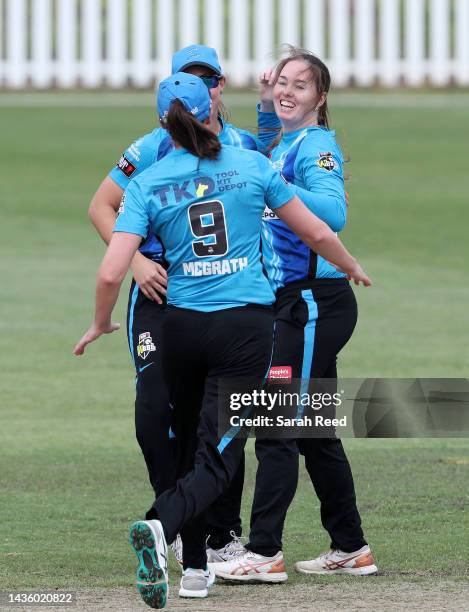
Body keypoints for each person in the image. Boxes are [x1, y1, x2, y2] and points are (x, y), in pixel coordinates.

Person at [74, 72, 371, 608]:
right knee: (233, 446)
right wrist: (351, 267)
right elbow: (322, 231)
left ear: (164, 119)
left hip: (181, 326)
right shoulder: (251, 164)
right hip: (247, 327)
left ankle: (197, 573)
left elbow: (111, 273)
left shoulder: (149, 179)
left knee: (206, 439)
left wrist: (99, 323)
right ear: (213, 108)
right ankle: (173, 528)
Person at [87, 44, 280, 559]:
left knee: (219, 416)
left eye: (210, 78)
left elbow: (267, 171)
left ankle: (215, 532)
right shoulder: (151, 148)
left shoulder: (238, 144)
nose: (204, 88)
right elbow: (101, 205)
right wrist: (135, 262)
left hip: (222, 292)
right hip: (156, 288)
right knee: (154, 411)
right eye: (191, 78)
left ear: (219, 86)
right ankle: (174, 521)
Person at [211, 48, 378, 582]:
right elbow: (264, 154)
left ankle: (264, 552)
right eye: (282, 82)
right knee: (315, 432)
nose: (288, 91)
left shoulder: (318, 148)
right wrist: (265, 104)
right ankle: (351, 546)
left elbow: (333, 214)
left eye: (299, 86)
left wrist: (274, 185)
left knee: (276, 426)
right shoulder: (288, 143)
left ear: (320, 98)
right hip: (295, 305)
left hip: (310, 306)